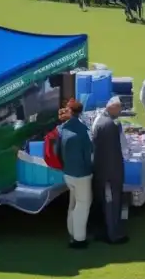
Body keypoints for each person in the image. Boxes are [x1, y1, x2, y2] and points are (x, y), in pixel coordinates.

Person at [91, 97, 128, 245]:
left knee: (104, 202)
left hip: (101, 170)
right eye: (119, 109)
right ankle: (113, 235)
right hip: (110, 172)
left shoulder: (98, 121)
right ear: (112, 108)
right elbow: (121, 148)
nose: (120, 112)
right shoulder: (112, 125)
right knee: (111, 203)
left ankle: (103, 232)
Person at [59, 100, 94, 249]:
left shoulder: (62, 128)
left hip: (68, 172)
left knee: (73, 204)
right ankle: (79, 238)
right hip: (82, 174)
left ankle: (72, 233)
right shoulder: (83, 130)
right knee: (82, 205)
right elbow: (89, 153)